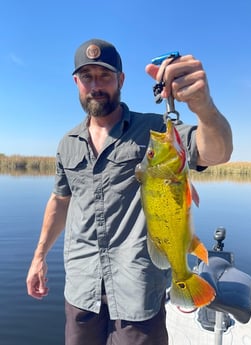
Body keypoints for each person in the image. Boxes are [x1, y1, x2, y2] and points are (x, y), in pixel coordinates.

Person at [26, 38, 233, 345]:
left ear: (121, 80)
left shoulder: (157, 131)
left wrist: (204, 108)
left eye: (105, 76)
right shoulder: (67, 143)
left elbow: (216, 152)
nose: (96, 85)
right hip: (82, 293)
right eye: (87, 77)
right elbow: (59, 201)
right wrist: (39, 256)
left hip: (138, 296)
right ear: (76, 82)